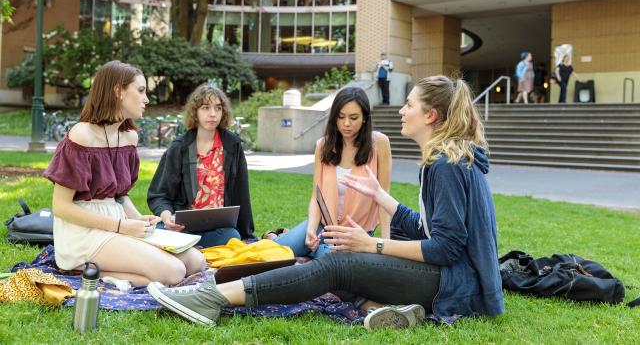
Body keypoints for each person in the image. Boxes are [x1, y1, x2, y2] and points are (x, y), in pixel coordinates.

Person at [147, 75, 504, 329]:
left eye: (409, 104)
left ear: (431, 116)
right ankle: (381, 308)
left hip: (456, 286)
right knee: (336, 256)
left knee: (337, 265)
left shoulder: (447, 166)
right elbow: (429, 230)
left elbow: (447, 247)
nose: (401, 110)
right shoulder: (443, 161)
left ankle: (213, 297)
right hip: (448, 277)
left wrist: (375, 244)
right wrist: (384, 199)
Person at [44, 61, 205, 287]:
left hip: (118, 222)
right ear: (118, 91)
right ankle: (81, 267)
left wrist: (137, 218)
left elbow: (120, 195)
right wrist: (121, 226)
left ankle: (104, 272)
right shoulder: (81, 136)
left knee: (196, 262)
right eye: (140, 91)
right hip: (83, 233)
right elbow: (61, 207)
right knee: (175, 271)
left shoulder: (129, 137)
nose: (146, 99)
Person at [274, 87, 392, 258]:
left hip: (355, 236)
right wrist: (311, 230)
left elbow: (383, 197)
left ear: (365, 118)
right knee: (271, 255)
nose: (346, 124)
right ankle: (279, 238)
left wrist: (384, 243)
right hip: (323, 227)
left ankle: (311, 248)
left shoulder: (379, 143)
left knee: (332, 265)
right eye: (341, 117)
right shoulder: (323, 145)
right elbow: (317, 196)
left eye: (354, 118)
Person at [147, 83, 255, 247]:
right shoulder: (179, 147)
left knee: (232, 236)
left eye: (218, 108)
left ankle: (188, 247)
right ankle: (187, 244)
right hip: (182, 228)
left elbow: (242, 192)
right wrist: (167, 216)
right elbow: (158, 195)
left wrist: (247, 235)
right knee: (162, 230)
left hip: (219, 229)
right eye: (206, 108)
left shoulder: (233, 145)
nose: (213, 114)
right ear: (195, 112)